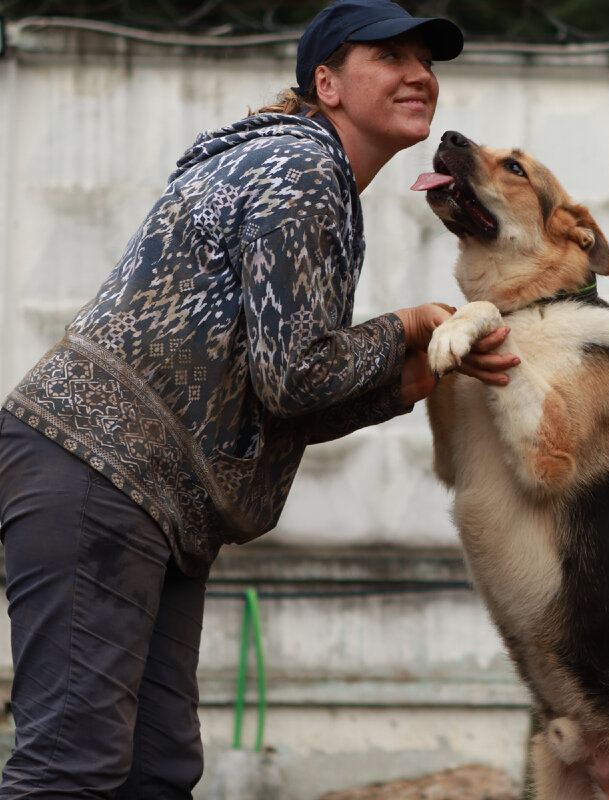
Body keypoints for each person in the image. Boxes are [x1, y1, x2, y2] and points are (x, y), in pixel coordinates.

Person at [0, 1, 517, 796]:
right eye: (390, 56)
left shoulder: (301, 170)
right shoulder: (301, 168)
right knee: (72, 765)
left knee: (157, 766)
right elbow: (298, 376)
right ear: (327, 83)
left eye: (427, 60)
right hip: (97, 472)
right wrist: (409, 325)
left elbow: (276, 391)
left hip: (147, 494)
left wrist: (417, 377)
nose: (419, 75)